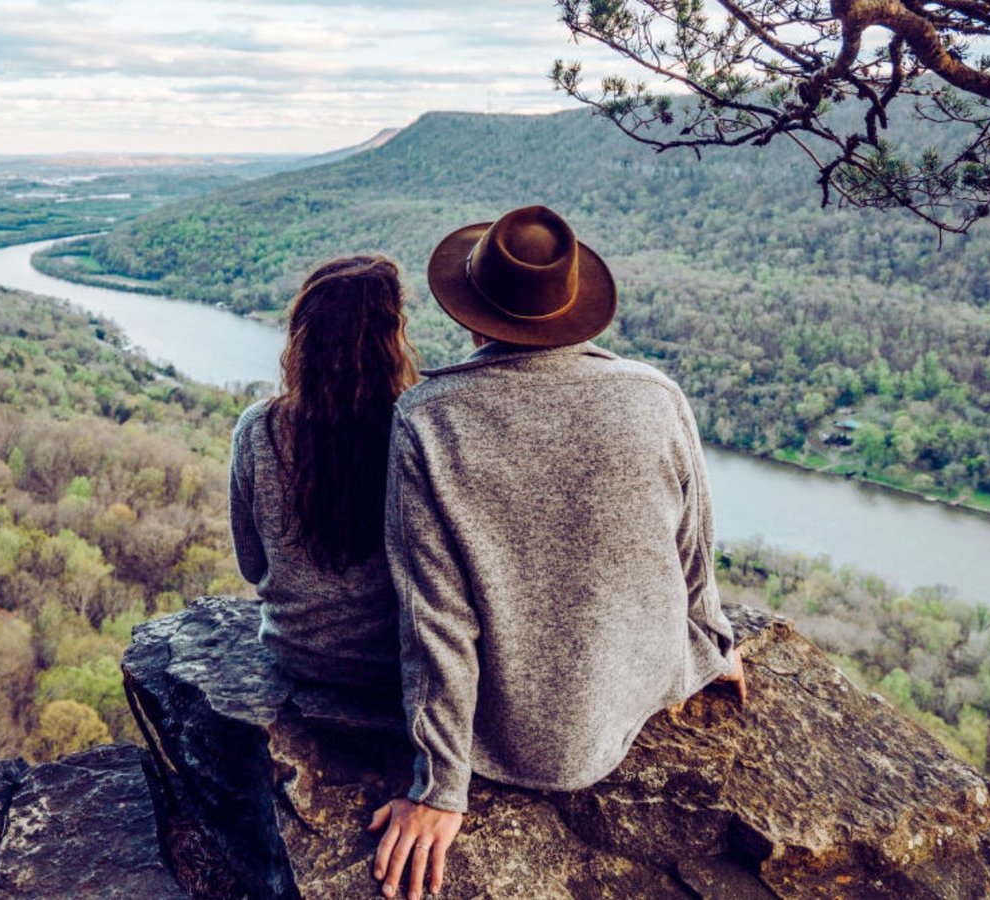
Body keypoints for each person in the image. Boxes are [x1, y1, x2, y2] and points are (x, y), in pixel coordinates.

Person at [367, 206, 746, 900]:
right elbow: (694, 549)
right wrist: (714, 642)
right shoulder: (657, 397)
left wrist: (440, 788)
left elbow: (437, 621)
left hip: (512, 738)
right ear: (573, 308)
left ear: (471, 313)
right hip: (643, 687)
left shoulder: (428, 420)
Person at [228, 255, 419, 688]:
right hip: (395, 660)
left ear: (303, 335)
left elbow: (251, 564)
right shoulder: (417, 427)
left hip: (296, 652)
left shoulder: (258, 429)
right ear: (390, 337)